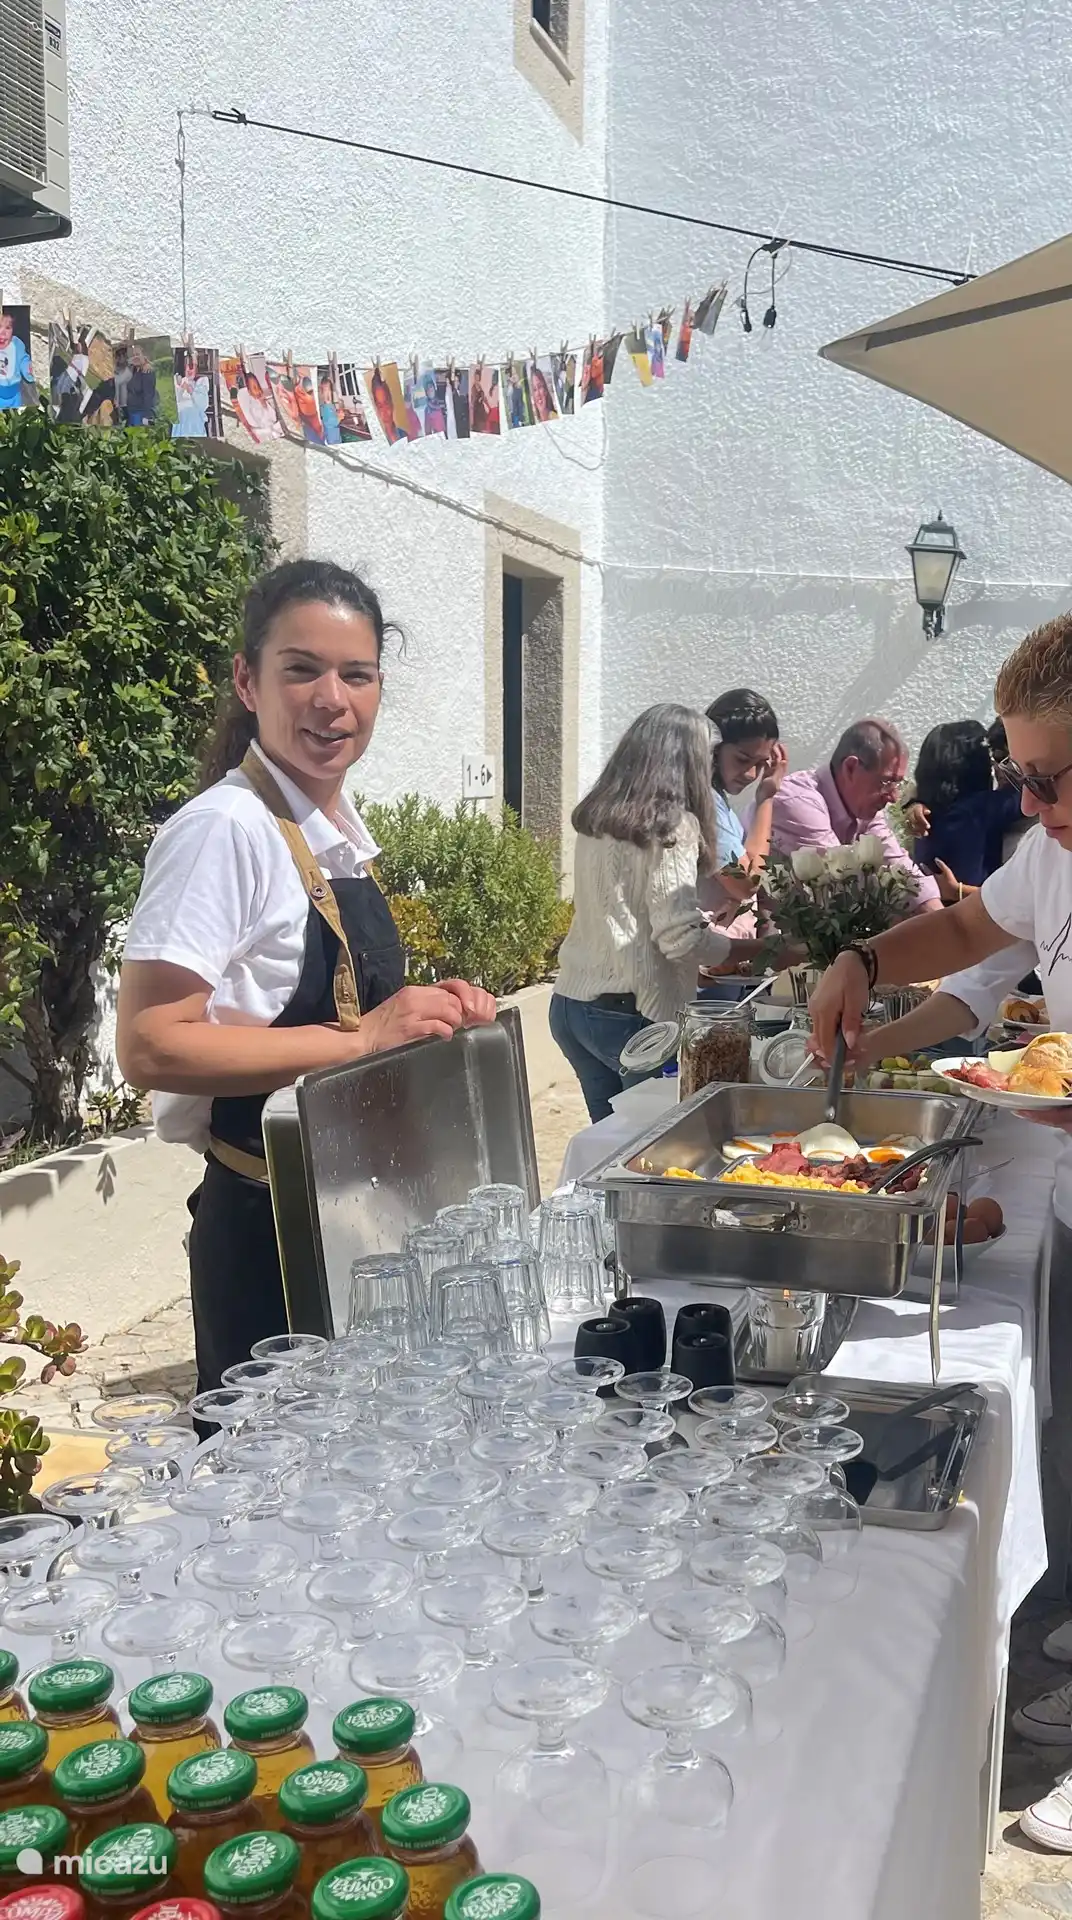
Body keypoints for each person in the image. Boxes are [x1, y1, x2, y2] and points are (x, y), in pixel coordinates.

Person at [805, 612, 1072, 1848]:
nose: (1034, 801)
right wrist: (863, 953)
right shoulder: (1052, 850)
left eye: (1051, 775)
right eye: (1022, 775)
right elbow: (973, 933)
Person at [116, 559, 496, 1393]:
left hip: (353, 1216)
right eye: (302, 670)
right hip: (268, 1232)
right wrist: (355, 1038)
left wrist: (420, 1014)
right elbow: (150, 1044)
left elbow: (332, 1005)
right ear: (249, 682)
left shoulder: (327, 828)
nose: (333, 699)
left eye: (355, 674)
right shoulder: (225, 830)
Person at [549, 704, 774, 1122]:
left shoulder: (598, 817)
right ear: (689, 762)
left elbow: (630, 915)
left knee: (610, 1149)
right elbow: (681, 940)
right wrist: (762, 950)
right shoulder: (673, 826)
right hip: (634, 1014)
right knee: (648, 1153)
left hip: (571, 1005)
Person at [770, 716, 941, 912]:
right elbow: (845, 885)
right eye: (886, 782)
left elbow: (898, 866)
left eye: (898, 783)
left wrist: (943, 919)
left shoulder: (863, 807)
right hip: (755, 933)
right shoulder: (797, 803)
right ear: (850, 768)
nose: (893, 797)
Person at [906, 719, 1022, 898]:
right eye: (992, 758)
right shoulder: (982, 809)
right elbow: (1034, 794)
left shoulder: (927, 815)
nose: (995, 766)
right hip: (971, 914)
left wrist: (914, 801)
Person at [0, 312, 34, 410]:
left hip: (14, 396)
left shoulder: (16, 344)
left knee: (15, 421)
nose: (2, 332)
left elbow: (23, 360)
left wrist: (28, 368)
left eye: (8, 328)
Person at [125, 345, 158, 426]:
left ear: (144, 356)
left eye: (137, 354)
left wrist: (147, 416)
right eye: (133, 355)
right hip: (130, 411)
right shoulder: (133, 369)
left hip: (140, 412)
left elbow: (148, 395)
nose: (135, 357)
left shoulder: (147, 372)